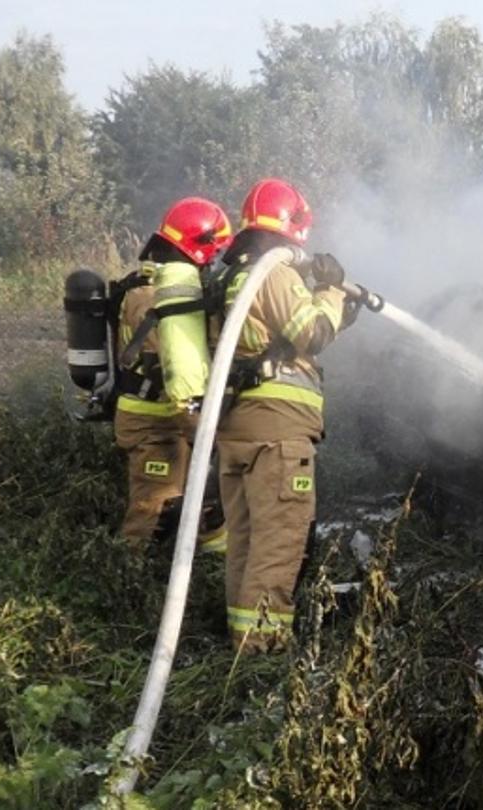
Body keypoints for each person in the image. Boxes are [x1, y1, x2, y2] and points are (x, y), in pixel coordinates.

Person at [210, 178, 359, 651]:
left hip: (241, 430)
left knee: (247, 541)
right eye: (302, 229)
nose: (304, 241)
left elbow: (284, 335)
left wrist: (340, 305)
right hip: (276, 432)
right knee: (279, 542)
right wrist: (331, 292)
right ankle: (261, 652)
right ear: (289, 225)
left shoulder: (233, 272)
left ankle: (241, 635)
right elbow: (311, 332)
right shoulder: (272, 272)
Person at [112, 197, 232, 552]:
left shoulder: (158, 286)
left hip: (172, 415)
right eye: (212, 252)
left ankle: (203, 582)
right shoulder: (153, 295)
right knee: (155, 512)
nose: (213, 261)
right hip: (155, 420)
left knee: (206, 503)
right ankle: (135, 583)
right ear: (198, 247)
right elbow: (176, 364)